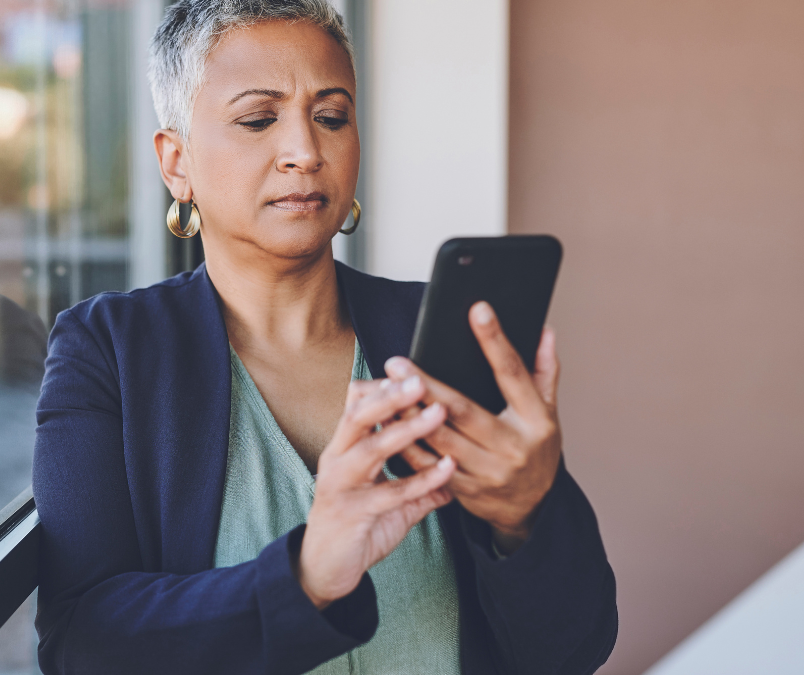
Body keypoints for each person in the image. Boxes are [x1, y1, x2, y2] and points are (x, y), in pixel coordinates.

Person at [31, 1, 617, 673]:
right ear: (176, 162)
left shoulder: (438, 337)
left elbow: (577, 646)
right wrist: (305, 576)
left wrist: (527, 518)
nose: (305, 152)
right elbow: (80, 642)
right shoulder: (107, 348)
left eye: (331, 117)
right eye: (258, 118)